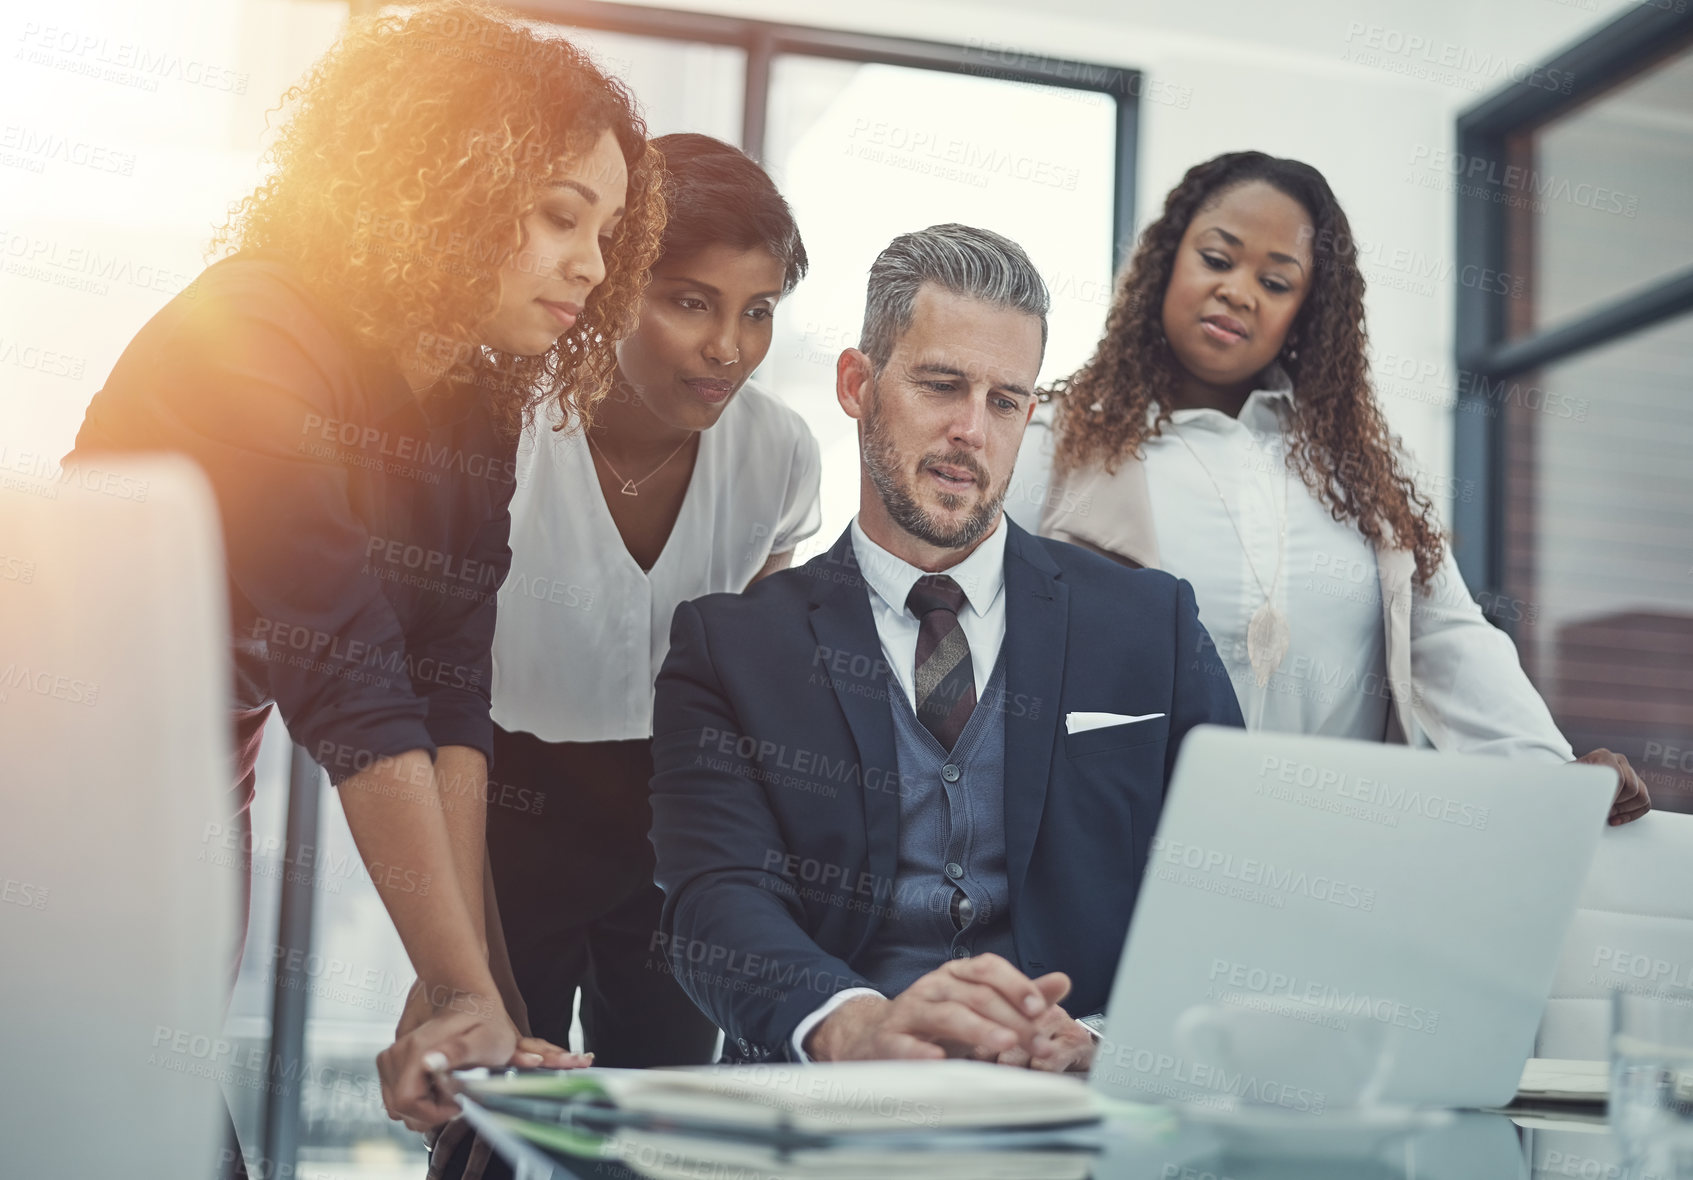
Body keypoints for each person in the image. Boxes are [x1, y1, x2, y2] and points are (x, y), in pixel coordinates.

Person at [65, 1, 666, 1152]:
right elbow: (347, 672)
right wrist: (455, 975)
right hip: (55, 798)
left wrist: (466, 984)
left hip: (191, 805)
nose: (593, 267)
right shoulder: (244, 334)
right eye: (558, 216)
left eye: (608, 231)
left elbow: (444, 685)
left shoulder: (476, 405)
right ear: (442, 184)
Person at [646, 224, 1243, 1071]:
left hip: (1083, 1116)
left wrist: (1111, 1043)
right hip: (827, 1124)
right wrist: (853, 1027)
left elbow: (1229, 882)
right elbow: (712, 902)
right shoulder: (730, 647)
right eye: (941, 385)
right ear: (857, 384)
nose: (972, 430)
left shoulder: (1151, 622)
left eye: (1005, 401)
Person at [1014, 150, 1649, 825]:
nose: (1238, 291)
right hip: (1116, 850)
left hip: (1329, 853)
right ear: (1166, 261)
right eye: (1216, 259)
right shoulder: (1055, 446)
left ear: (1306, 313)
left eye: (1276, 282)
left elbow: (1452, 642)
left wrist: (1555, 775)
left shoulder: (1362, 473)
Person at [486, 133, 818, 1066]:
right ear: (613, 280)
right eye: (688, 302)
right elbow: (440, 705)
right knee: (495, 1123)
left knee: (661, 1128)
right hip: (507, 806)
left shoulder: (778, 452)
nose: (728, 348)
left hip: (681, 821)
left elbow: (753, 692)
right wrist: (456, 966)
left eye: (757, 312)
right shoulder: (503, 425)